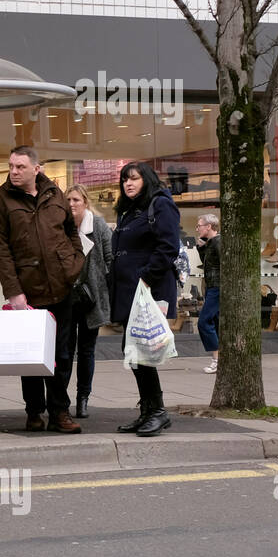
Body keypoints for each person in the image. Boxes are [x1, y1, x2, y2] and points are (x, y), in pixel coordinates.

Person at [0, 145, 85, 433]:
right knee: (30, 355)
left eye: (20, 167)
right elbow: (1, 247)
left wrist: (75, 261)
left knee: (62, 356)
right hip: (28, 291)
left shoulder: (54, 193)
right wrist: (13, 290)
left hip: (61, 287)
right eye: (12, 166)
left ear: (36, 168)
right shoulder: (2, 199)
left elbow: (70, 230)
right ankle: (34, 412)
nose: (15, 172)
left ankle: (60, 412)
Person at [110, 162, 180, 437]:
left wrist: (147, 277)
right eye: (125, 180)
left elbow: (169, 246)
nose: (128, 184)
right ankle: (149, 410)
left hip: (148, 291)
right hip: (131, 291)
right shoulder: (130, 209)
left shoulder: (160, 204)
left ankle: (158, 412)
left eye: (134, 178)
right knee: (135, 349)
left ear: (146, 179)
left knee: (144, 350)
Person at [59, 185, 112, 418]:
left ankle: (83, 398)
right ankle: (62, 400)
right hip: (68, 298)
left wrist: (102, 287)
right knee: (65, 351)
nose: (71, 204)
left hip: (92, 299)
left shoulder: (98, 226)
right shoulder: (61, 227)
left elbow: (110, 259)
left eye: (76, 200)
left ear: (85, 203)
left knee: (87, 351)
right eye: (68, 199)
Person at [196, 213, 221, 373]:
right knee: (216, 323)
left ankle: (217, 360)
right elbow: (208, 263)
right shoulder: (211, 242)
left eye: (199, 225)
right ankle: (220, 359)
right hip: (213, 287)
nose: (197, 228)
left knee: (204, 322)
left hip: (217, 287)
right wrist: (201, 247)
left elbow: (223, 265)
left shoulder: (218, 242)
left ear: (209, 226)